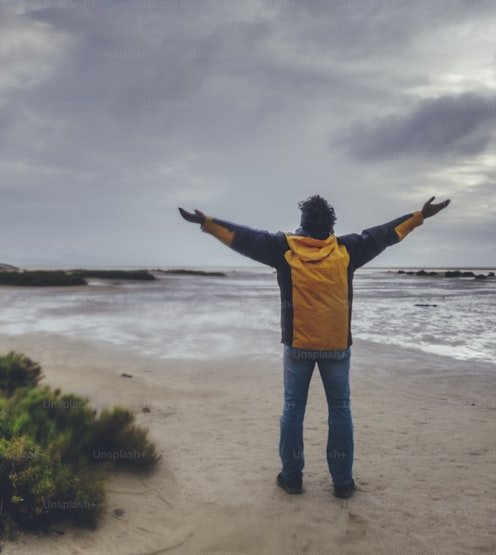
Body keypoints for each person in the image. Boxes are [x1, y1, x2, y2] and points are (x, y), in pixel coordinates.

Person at [178, 195, 450, 498]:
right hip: (336, 346)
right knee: (340, 409)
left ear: (303, 224)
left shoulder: (283, 247)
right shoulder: (348, 249)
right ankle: (342, 483)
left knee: (294, 409)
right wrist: (420, 215)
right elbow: (386, 234)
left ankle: (292, 478)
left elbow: (243, 238)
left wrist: (207, 222)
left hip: (298, 346)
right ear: (330, 226)